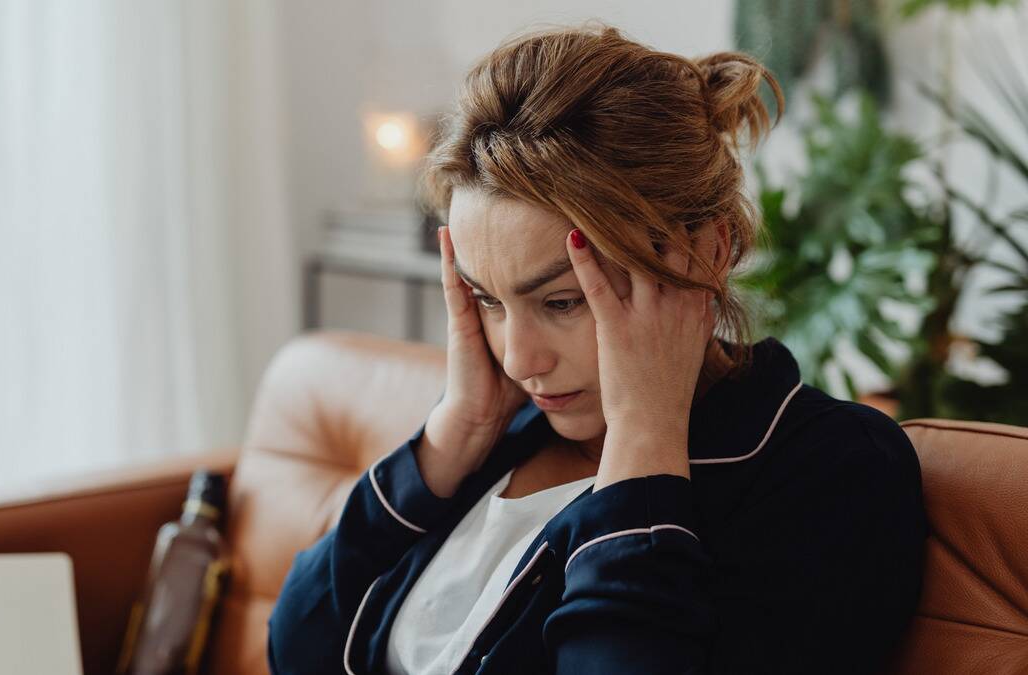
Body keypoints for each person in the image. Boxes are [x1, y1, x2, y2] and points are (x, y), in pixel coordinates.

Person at [268, 22, 927, 675]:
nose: (520, 359)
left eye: (561, 301)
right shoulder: (502, 432)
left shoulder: (831, 470)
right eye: (490, 300)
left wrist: (646, 435)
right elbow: (295, 647)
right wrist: (450, 436)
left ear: (708, 253)